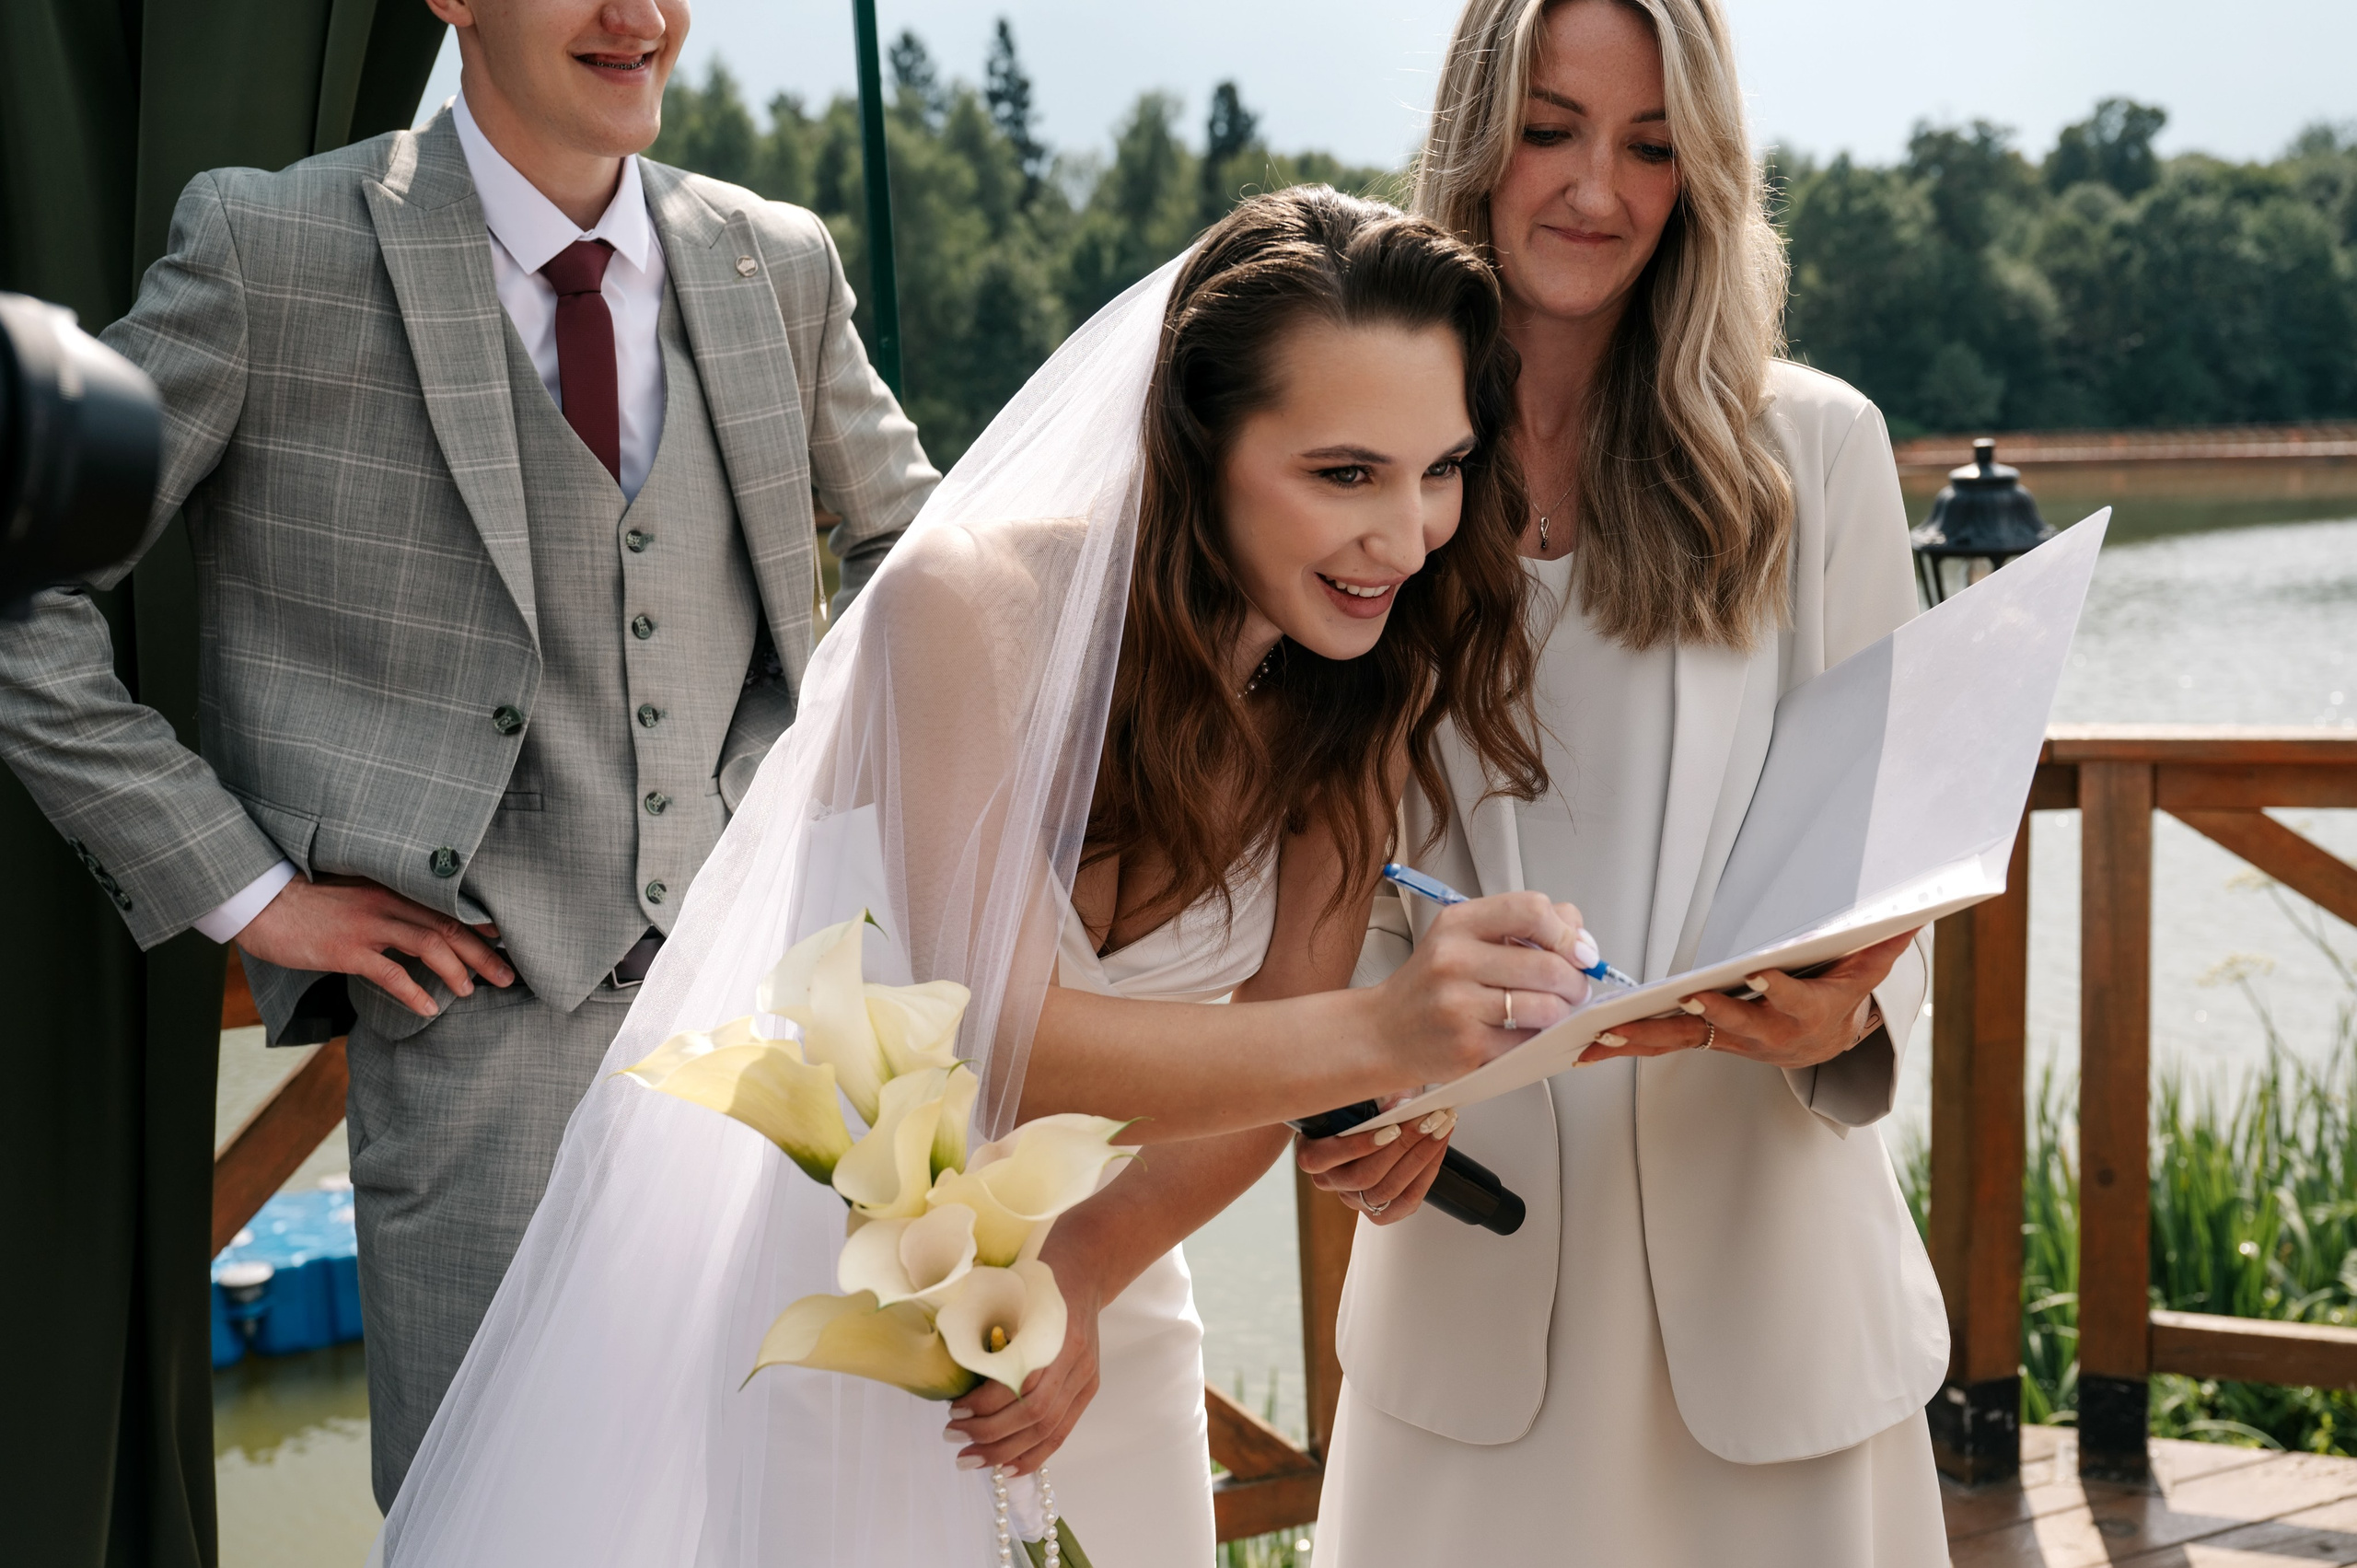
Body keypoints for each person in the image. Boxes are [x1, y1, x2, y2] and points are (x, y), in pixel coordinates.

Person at [380, 186, 1596, 1567]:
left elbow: (1266, 1078)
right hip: (834, 1303)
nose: (1410, 534)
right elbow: (997, 1043)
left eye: (1441, 467)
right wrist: (1381, 1033)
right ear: (1197, 445)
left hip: (1106, 1297)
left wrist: (1078, 1278)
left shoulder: (1361, 693)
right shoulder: (964, 610)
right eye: (1344, 473)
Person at [0, 0, 935, 1508]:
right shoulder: (271, 249)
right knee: (500, 1524)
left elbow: (931, 571)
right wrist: (246, 888)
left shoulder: (778, 258)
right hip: (472, 1073)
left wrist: (791, 806)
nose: (636, 15)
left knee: (772, 1515)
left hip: (771, 1062)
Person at [1301, 2, 1950, 1563]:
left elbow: (1900, 862)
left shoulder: (1818, 451)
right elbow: (1302, 852)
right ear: (1473, 136)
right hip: (1474, 1277)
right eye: (1551, 128)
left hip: (1779, 1295)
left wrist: (1846, 1014)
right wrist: (1347, 1094)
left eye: (1652, 145)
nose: (1597, 186)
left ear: (1704, 173)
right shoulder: (1354, 456)